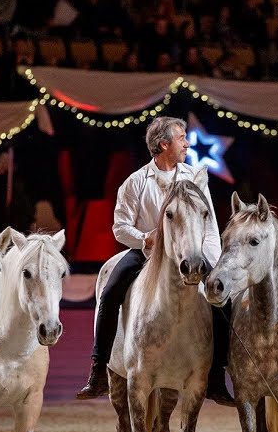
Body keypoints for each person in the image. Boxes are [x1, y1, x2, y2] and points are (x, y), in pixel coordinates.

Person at [77, 116, 234, 406]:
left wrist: (209, 262)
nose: (187, 144)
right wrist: (144, 239)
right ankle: (99, 369)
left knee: (223, 300)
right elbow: (120, 227)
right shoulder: (135, 182)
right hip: (147, 253)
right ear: (163, 144)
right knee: (110, 293)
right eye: (181, 138)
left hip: (190, 253)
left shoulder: (194, 178)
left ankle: (217, 376)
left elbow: (210, 226)